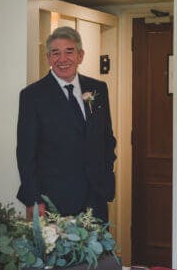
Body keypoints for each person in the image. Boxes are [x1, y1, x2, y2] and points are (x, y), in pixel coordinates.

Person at [16, 26, 116, 222]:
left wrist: (105, 173)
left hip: (95, 196)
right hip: (53, 199)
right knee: (58, 253)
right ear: (48, 58)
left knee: (99, 251)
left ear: (80, 55)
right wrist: (34, 199)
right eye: (56, 53)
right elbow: (25, 153)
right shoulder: (33, 95)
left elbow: (107, 138)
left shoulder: (98, 89)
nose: (62, 59)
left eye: (69, 52)